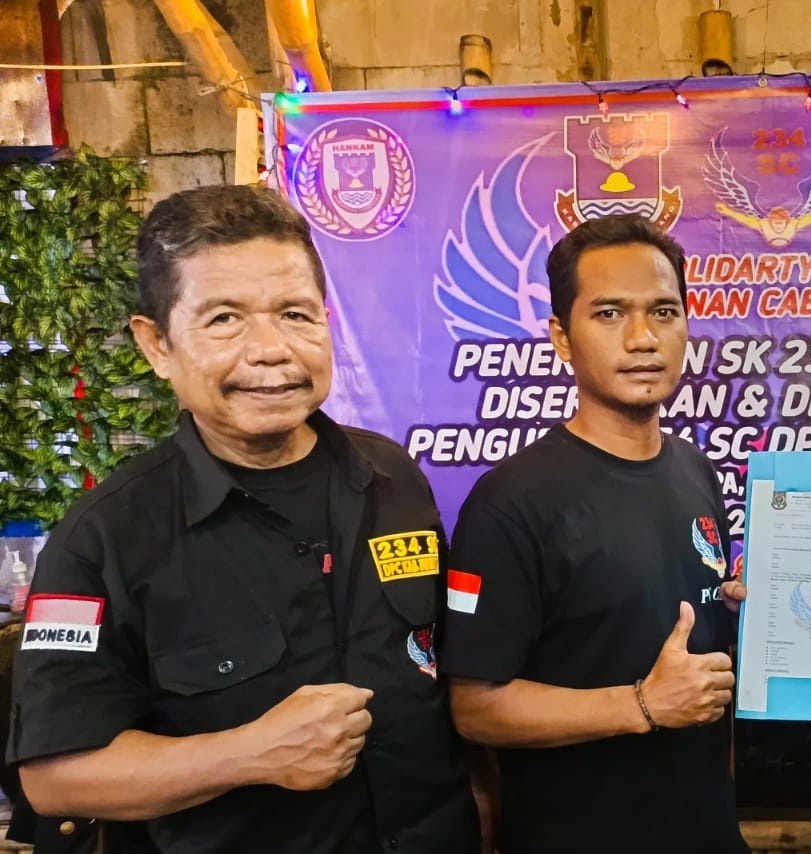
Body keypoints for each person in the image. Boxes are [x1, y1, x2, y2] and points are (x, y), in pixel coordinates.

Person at [6, 185, 480, 854]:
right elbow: (55, 779)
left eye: (294, 314)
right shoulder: (104, 538)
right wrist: (249, 754)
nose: (270, 350)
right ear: (156, 344)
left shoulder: (392, 475)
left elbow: (437, 674)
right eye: (224, 318)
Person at [438, 214, 748, 854]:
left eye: (663, 312)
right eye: (609, 314)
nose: (643, 338)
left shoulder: (696, 470)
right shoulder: (511, 503)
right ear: (561, 336)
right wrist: (641, 705)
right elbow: (474, 708)